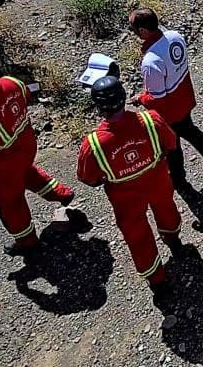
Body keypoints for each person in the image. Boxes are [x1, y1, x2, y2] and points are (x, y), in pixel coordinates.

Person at [0, 57, 75, 256]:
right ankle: (61, 193)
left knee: (9, 203)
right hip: (27, 143)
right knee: (26, 172)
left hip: (4, 164)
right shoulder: (11, 81)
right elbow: (26, 96)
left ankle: (27, 242)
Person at [77, 76, 184, 293]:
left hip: (125, 198)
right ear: (124, 97)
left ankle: (158, 281)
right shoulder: (151, 121)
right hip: (157, 180)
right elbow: (171, 143)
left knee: (137, 235)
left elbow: (88, 178)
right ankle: (174, 242)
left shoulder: (94, 145)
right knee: (166, 208)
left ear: (98, 107)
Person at [129, 8, 203, 190]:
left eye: (134, 30)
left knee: (172, 146)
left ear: (143, 31)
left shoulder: (151, 62)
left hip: (170, 111)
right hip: (185, 98)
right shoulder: (175, 36)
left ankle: (179, 181)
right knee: (192, 134)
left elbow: (158, 99)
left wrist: (140, 98)